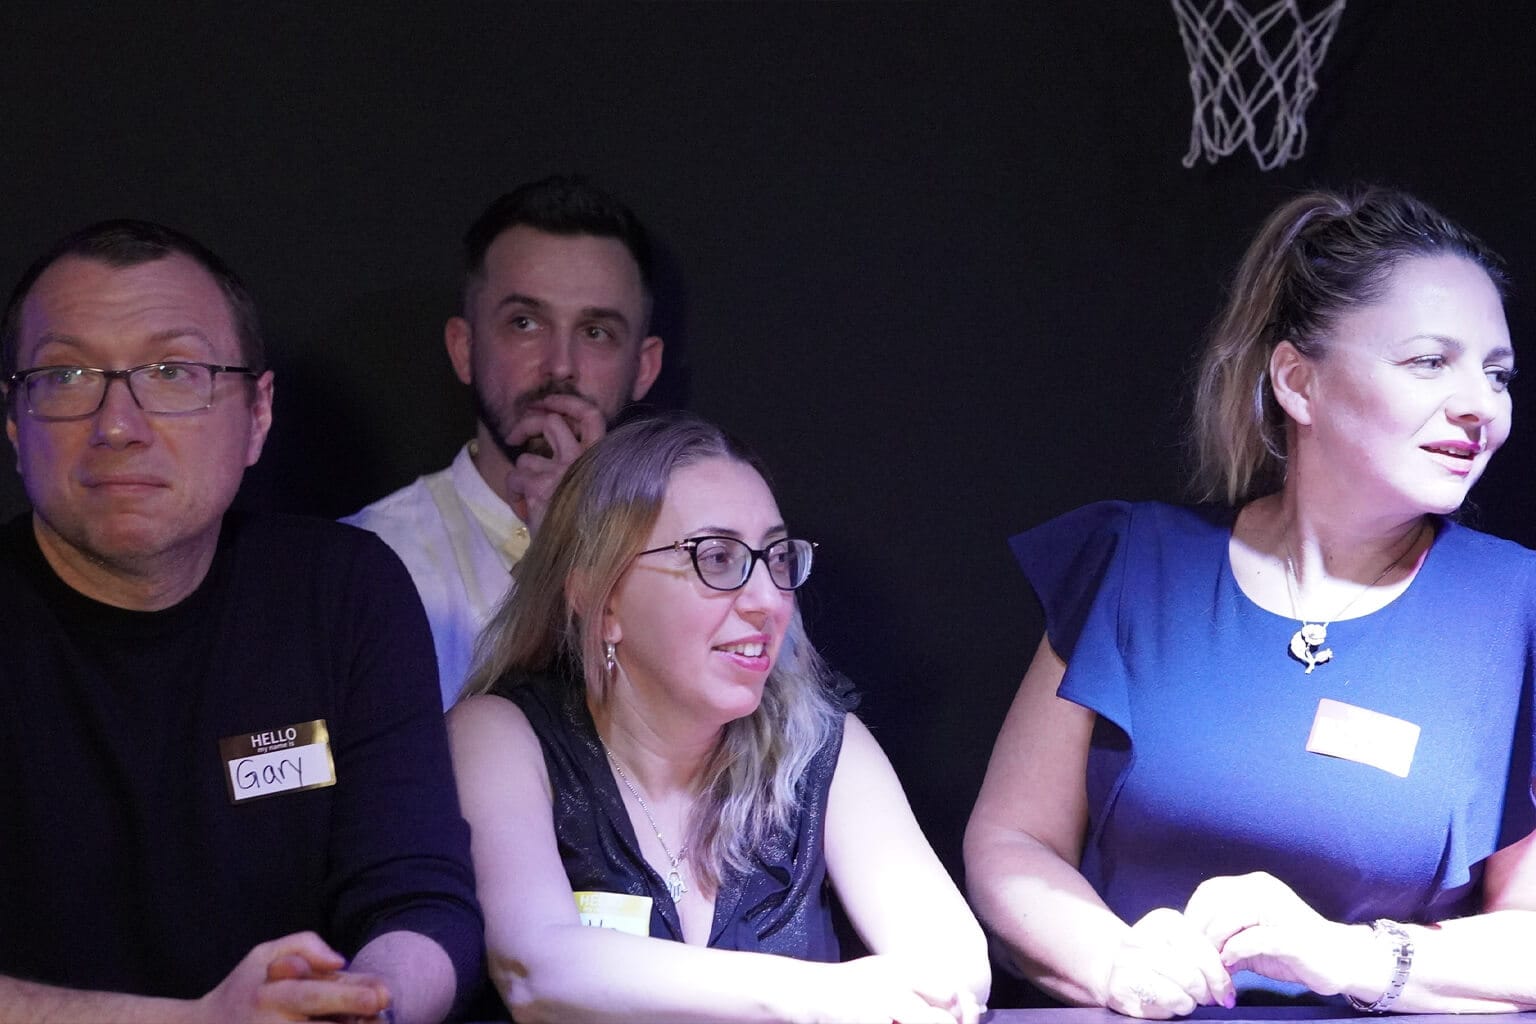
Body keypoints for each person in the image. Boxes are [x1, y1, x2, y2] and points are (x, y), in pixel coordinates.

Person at [964, 186, 1536, 1018]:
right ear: (1298, 382)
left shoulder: (1516, 608)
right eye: (1428, 362)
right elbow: (1013, 840)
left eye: (1498, 374)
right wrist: (1113, 963)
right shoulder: (1135, 563)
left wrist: (1347, 955)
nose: (1481, 405)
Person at [0, 220, 482, 1023]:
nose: (117, 425)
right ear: (15, 423)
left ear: (257, 415)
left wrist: (368, 1001)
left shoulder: (343, 592)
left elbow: (420, 901)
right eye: (66, 375)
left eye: (172, 372)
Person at [448, 412, 990, 1023]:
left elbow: (955, 968)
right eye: (717, 558)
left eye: (775, 558)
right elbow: (537, 970)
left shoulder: (820, 743)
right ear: (602, 602)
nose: (768, 600)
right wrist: (821, 996)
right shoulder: (498, 736)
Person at [344, 175, 665, 707]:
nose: (560, 366)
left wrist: (581, 534)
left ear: (645, 367)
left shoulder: (701, 560)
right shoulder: (365, 564)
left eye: (595, 332)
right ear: (464, 349)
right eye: (525, 323)